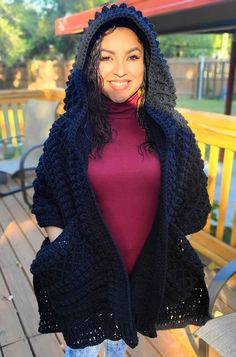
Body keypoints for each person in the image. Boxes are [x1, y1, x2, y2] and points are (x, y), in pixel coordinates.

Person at [30, 3, 212, 357]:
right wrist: (64, 244)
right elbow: (46, 196)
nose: (119, 70)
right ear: (89, 64)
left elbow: (192, 200)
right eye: (106, 57)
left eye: (132, 56)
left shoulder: (171, 130)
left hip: (139, 281)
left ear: (148, 63)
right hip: (85, 276)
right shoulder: (69, 130)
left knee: (117, 348)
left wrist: (161, 246)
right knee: (81, 352)